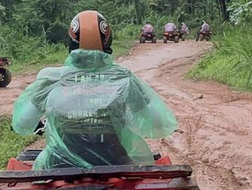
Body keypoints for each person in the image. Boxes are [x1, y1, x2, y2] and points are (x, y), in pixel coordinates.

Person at [12, 10, 178, 170]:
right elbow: (158, 124)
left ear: (71, 41)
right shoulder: (123, 77)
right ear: (108, 41)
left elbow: (23, 123)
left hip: (58, 165)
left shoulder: (51, 78)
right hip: (116, 164)